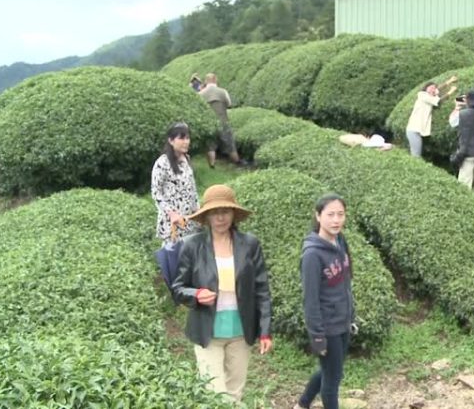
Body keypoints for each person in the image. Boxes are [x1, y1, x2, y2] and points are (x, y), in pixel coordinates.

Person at [172, 184, 273, 403]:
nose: (220, 218)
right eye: (215, 212)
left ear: (234, 214)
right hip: (208, 331)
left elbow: (262, 289)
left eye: (225, 211)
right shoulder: (192, 246)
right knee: (214, 395)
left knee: (235, 393)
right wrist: (196, 294)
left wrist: (265, 331)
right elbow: (178, 288)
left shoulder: (250, 244)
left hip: (240, 331)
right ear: (206, 216)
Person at [294, 194, 357, 409]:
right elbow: (310, 300)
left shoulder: (341, 241)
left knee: (331, 369)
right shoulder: (312, 255)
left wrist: (352, 314)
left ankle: (303, 404)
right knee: (332, 381)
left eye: (340, 214)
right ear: (318, 216)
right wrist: (317, 336)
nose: (336, 220)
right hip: (327, 326)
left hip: (343, 320)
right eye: (330, 215)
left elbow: (346, 283)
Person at [151, 122, 200, 246]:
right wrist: (171, 213)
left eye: (187, 138)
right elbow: (156, 193)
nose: (186, 142)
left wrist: (198, 212)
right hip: (172, 223)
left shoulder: (186, 159)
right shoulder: (162, 163)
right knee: (173, 259)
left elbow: (192, 189)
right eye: (181, 138)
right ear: (171, 141)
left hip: (189, 220)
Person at [198, 73, 245, 168]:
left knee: (210, 145)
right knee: (230, 144)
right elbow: (229, 104)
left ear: (206, 81)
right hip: (223, 121)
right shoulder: (222, 92)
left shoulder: (201, 94)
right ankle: (237, 162)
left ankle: (212, 165)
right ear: (215, 80)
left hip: (209, 123)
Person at [405, 76, 458, 157]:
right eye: (430, 87)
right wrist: (451, 91)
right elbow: (439, 101)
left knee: (417, 153)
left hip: (418, 130)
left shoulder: (430, 96)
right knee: (416, 155)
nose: (432, 89)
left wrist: (450, 81)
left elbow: (438, 89)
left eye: (434, 88)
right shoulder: (422, 95)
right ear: (425, 88)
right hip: (414, 130)